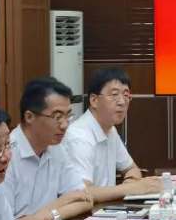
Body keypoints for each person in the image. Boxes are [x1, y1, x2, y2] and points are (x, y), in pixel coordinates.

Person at [2, 77, 94, 220]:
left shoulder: (55, 147)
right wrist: (63, 201)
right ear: (30, 117)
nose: (65, 125)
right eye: (57, 117)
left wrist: (49, 216)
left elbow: (86, 200)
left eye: (68, 116)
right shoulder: (6, 156)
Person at [62, 67, 163, 203]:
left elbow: (132, 169)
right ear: (94, 100)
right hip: (85, 214)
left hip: (105, 210)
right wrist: (133, 188)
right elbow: (82, 194)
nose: (122, 102)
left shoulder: (110, 130)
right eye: (114, 95)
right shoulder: (79, 136)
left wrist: (131, 183)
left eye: (126, 95)